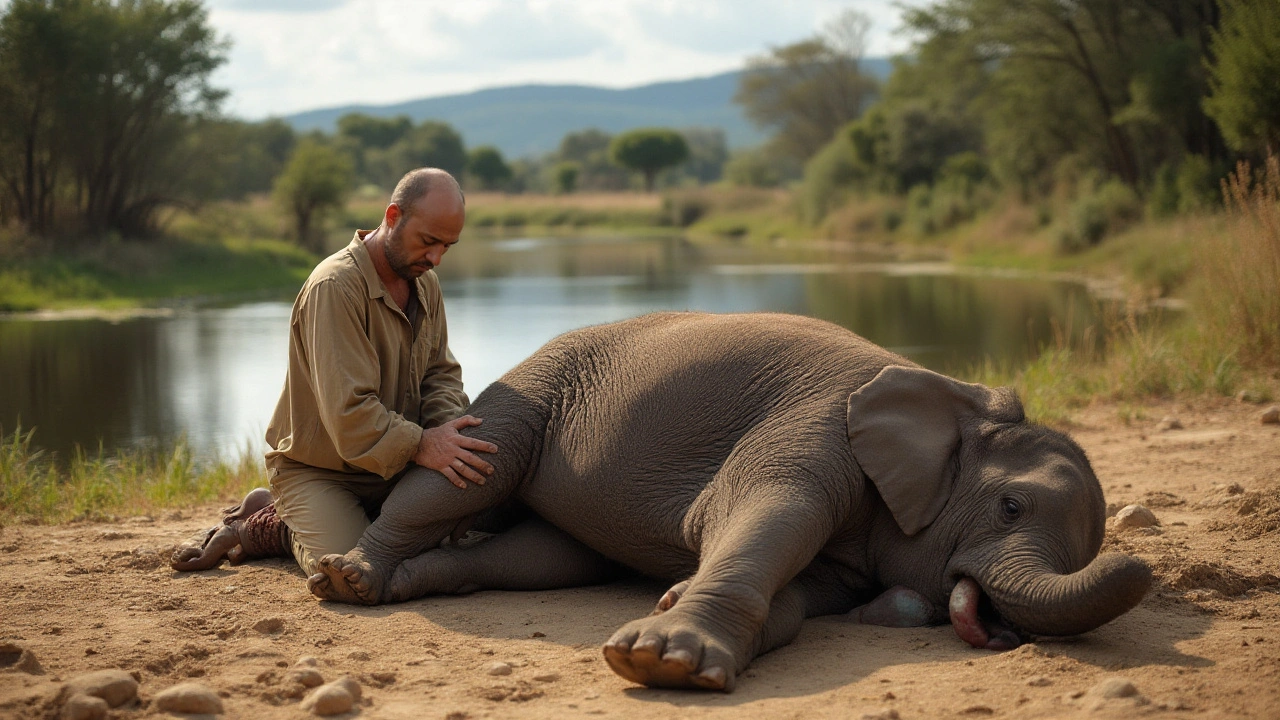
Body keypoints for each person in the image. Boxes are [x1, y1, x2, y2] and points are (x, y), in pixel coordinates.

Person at [172, 168, 497, 574]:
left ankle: (328, 517)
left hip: (396, 462)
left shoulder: (424, 281)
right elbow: (351, 416)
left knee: (464, 532)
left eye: (447, 246)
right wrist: (423, 445)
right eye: (428, 242)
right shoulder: (335, 287)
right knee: (358, 565)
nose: (435, 259)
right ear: (393, 216)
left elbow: (441, 375)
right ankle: (268, 525)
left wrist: (446, 433)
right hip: (320, 470)